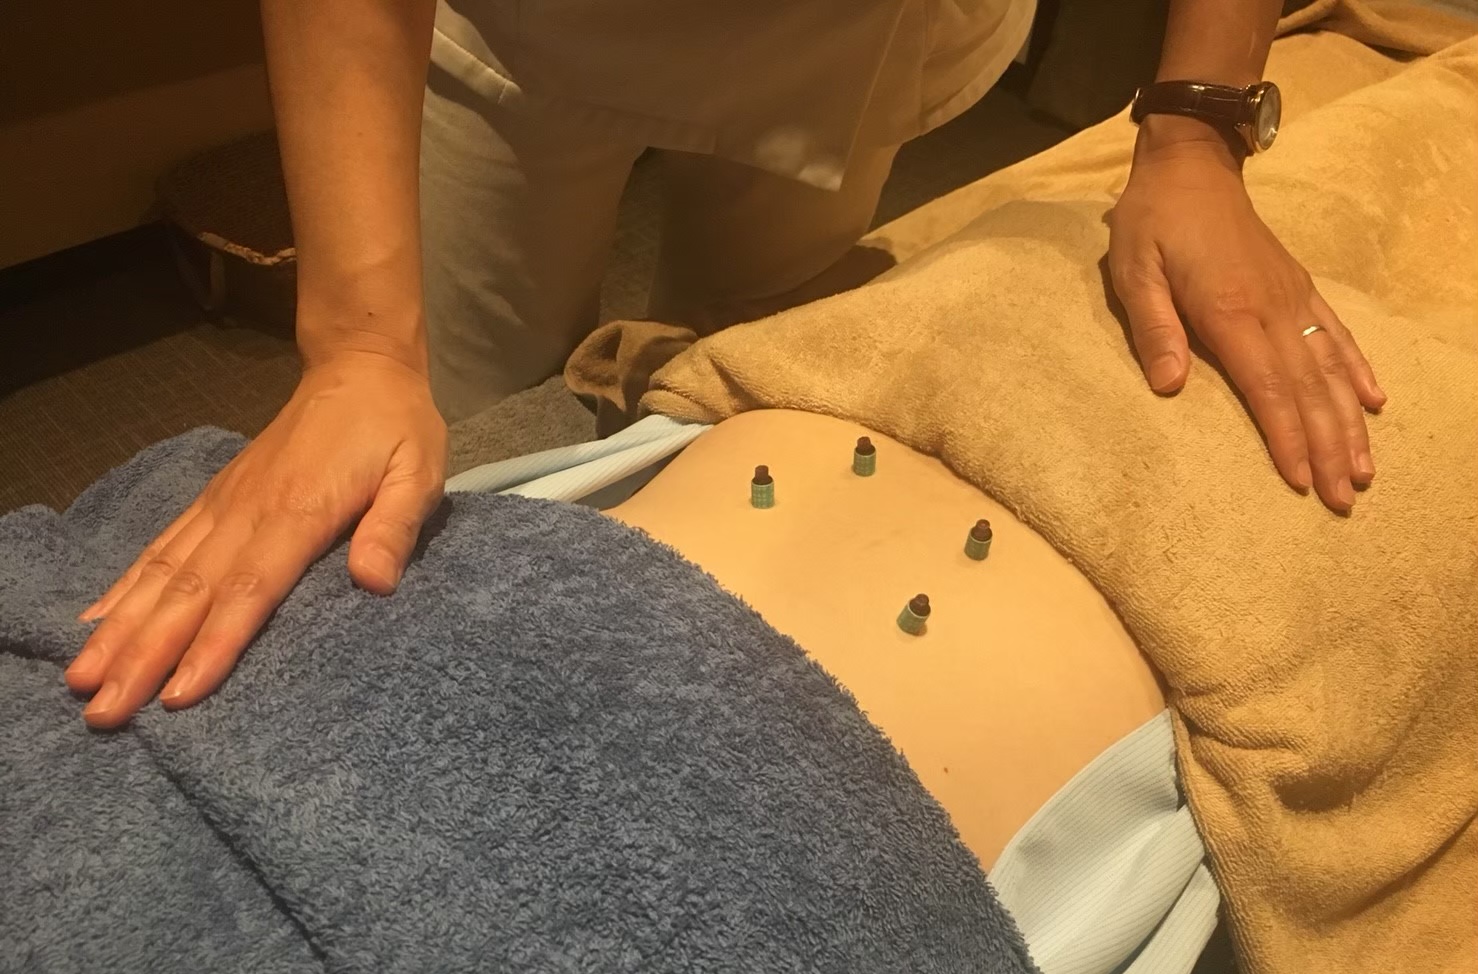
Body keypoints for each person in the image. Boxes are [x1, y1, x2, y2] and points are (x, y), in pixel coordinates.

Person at [67, 0, 1384, 728]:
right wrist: (359, 348)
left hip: (855, 33)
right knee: (463, 436)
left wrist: (1196, 129)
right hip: (518, 28)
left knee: (755, 366)